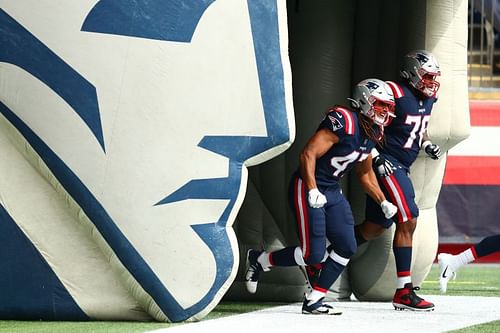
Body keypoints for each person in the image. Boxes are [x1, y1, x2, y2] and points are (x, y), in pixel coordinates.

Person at [244, 78, 398, 315]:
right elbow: (308, 154)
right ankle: (259, 260)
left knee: (347, 246)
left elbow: (365, 174)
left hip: (331, 189)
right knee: (312, 255)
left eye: (388, 107)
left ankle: (315, 299)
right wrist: (313, 189)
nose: (385, 111)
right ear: (364, 101)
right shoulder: (344, 121)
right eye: (380, 105)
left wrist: (382, 201)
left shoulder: (372, 132)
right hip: (307, 186)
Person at [354, 50, 442, 312]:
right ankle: (404, 291)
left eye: (433, 77)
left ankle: (321, 255)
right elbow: (366, 118)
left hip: (402, 163)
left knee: (374, 228)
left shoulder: (428, 98)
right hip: (388, 163)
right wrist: (374, 154)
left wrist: (425, 144)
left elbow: (418, 126)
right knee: (409, 218)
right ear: (412, 73)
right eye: (427, 76)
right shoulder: (393, 92)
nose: (431, 82)